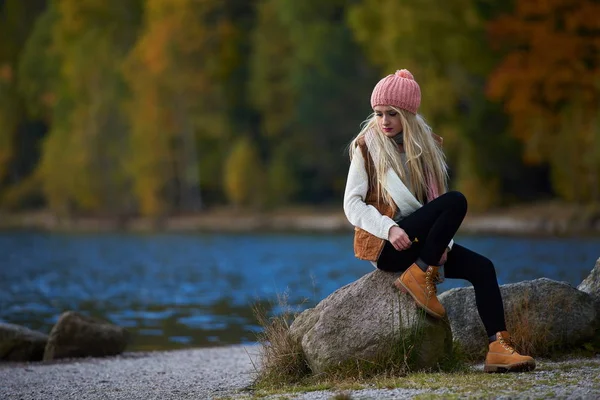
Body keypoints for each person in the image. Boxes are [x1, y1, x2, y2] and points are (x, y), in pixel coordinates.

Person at [343, 69, 536, 373]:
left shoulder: (426, 146)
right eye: (378, 113)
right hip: (388, 245)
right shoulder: (366, 147)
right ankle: (420, 275)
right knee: (457, 200)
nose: (384, 121)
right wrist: (389, 228)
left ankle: (498, 348)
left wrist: (442, 243)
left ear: (407, 113)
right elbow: (351, 205)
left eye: (392, 113)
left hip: (423, 245)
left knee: (483, 268)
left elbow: (433, 204)